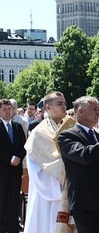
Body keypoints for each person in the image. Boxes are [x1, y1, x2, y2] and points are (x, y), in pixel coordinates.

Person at [57, 96, 99, 233]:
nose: (98, 113)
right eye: (94, 109)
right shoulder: (67, 136)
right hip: (85, 203)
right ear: (81, 111)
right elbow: (84, 155)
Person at [24, 91, 75, 233]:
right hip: (48, 192)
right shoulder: (39, 133)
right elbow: (50, 164)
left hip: (66, 189)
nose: (64, 107)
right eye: (59, 104)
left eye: (64, 103)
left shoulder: (70, 128)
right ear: (48, 108)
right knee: (47, 226)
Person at [0, 99, 26, 233]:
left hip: (16, 169)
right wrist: (9, 158)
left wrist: (18, 157)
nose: (7, 112)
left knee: (15, 198)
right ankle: (2, 225)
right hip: (2, 170)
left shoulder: (17, 126)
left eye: (9, 109)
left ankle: (14, 224)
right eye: (4, 109)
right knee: (2, 198)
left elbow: (24, 146)